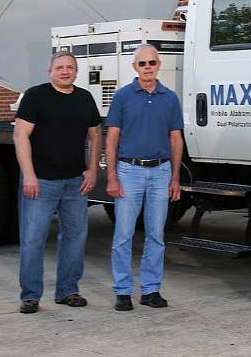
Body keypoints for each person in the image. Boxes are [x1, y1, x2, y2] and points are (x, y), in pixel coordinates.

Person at [13, 51, 101, 314]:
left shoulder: (85, 98)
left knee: (75, 237)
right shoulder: (35, 96)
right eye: (60, 67)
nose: (65, 72)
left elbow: (95, 135)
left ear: (76, 72)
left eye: (70, 68)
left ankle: (68, 291)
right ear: (50, 71)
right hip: (40, 182)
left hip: (76, 182)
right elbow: (20, 136)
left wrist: (92, 170)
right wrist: (28, 174)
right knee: (32, 239)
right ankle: (30, 296)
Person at [105, 43, 183, 311]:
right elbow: (112, 137)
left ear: (159, 65)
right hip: (129, 171)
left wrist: (175, 177)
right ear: (134, 67)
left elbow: (176, 138)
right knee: (124, 234)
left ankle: (151, 290)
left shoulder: (170, 98)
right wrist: (112, 176)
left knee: (156, 235)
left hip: (161, 172)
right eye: (142, 64)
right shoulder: (123, 96)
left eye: (152, 63)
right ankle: (123, 290)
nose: (148, 68)